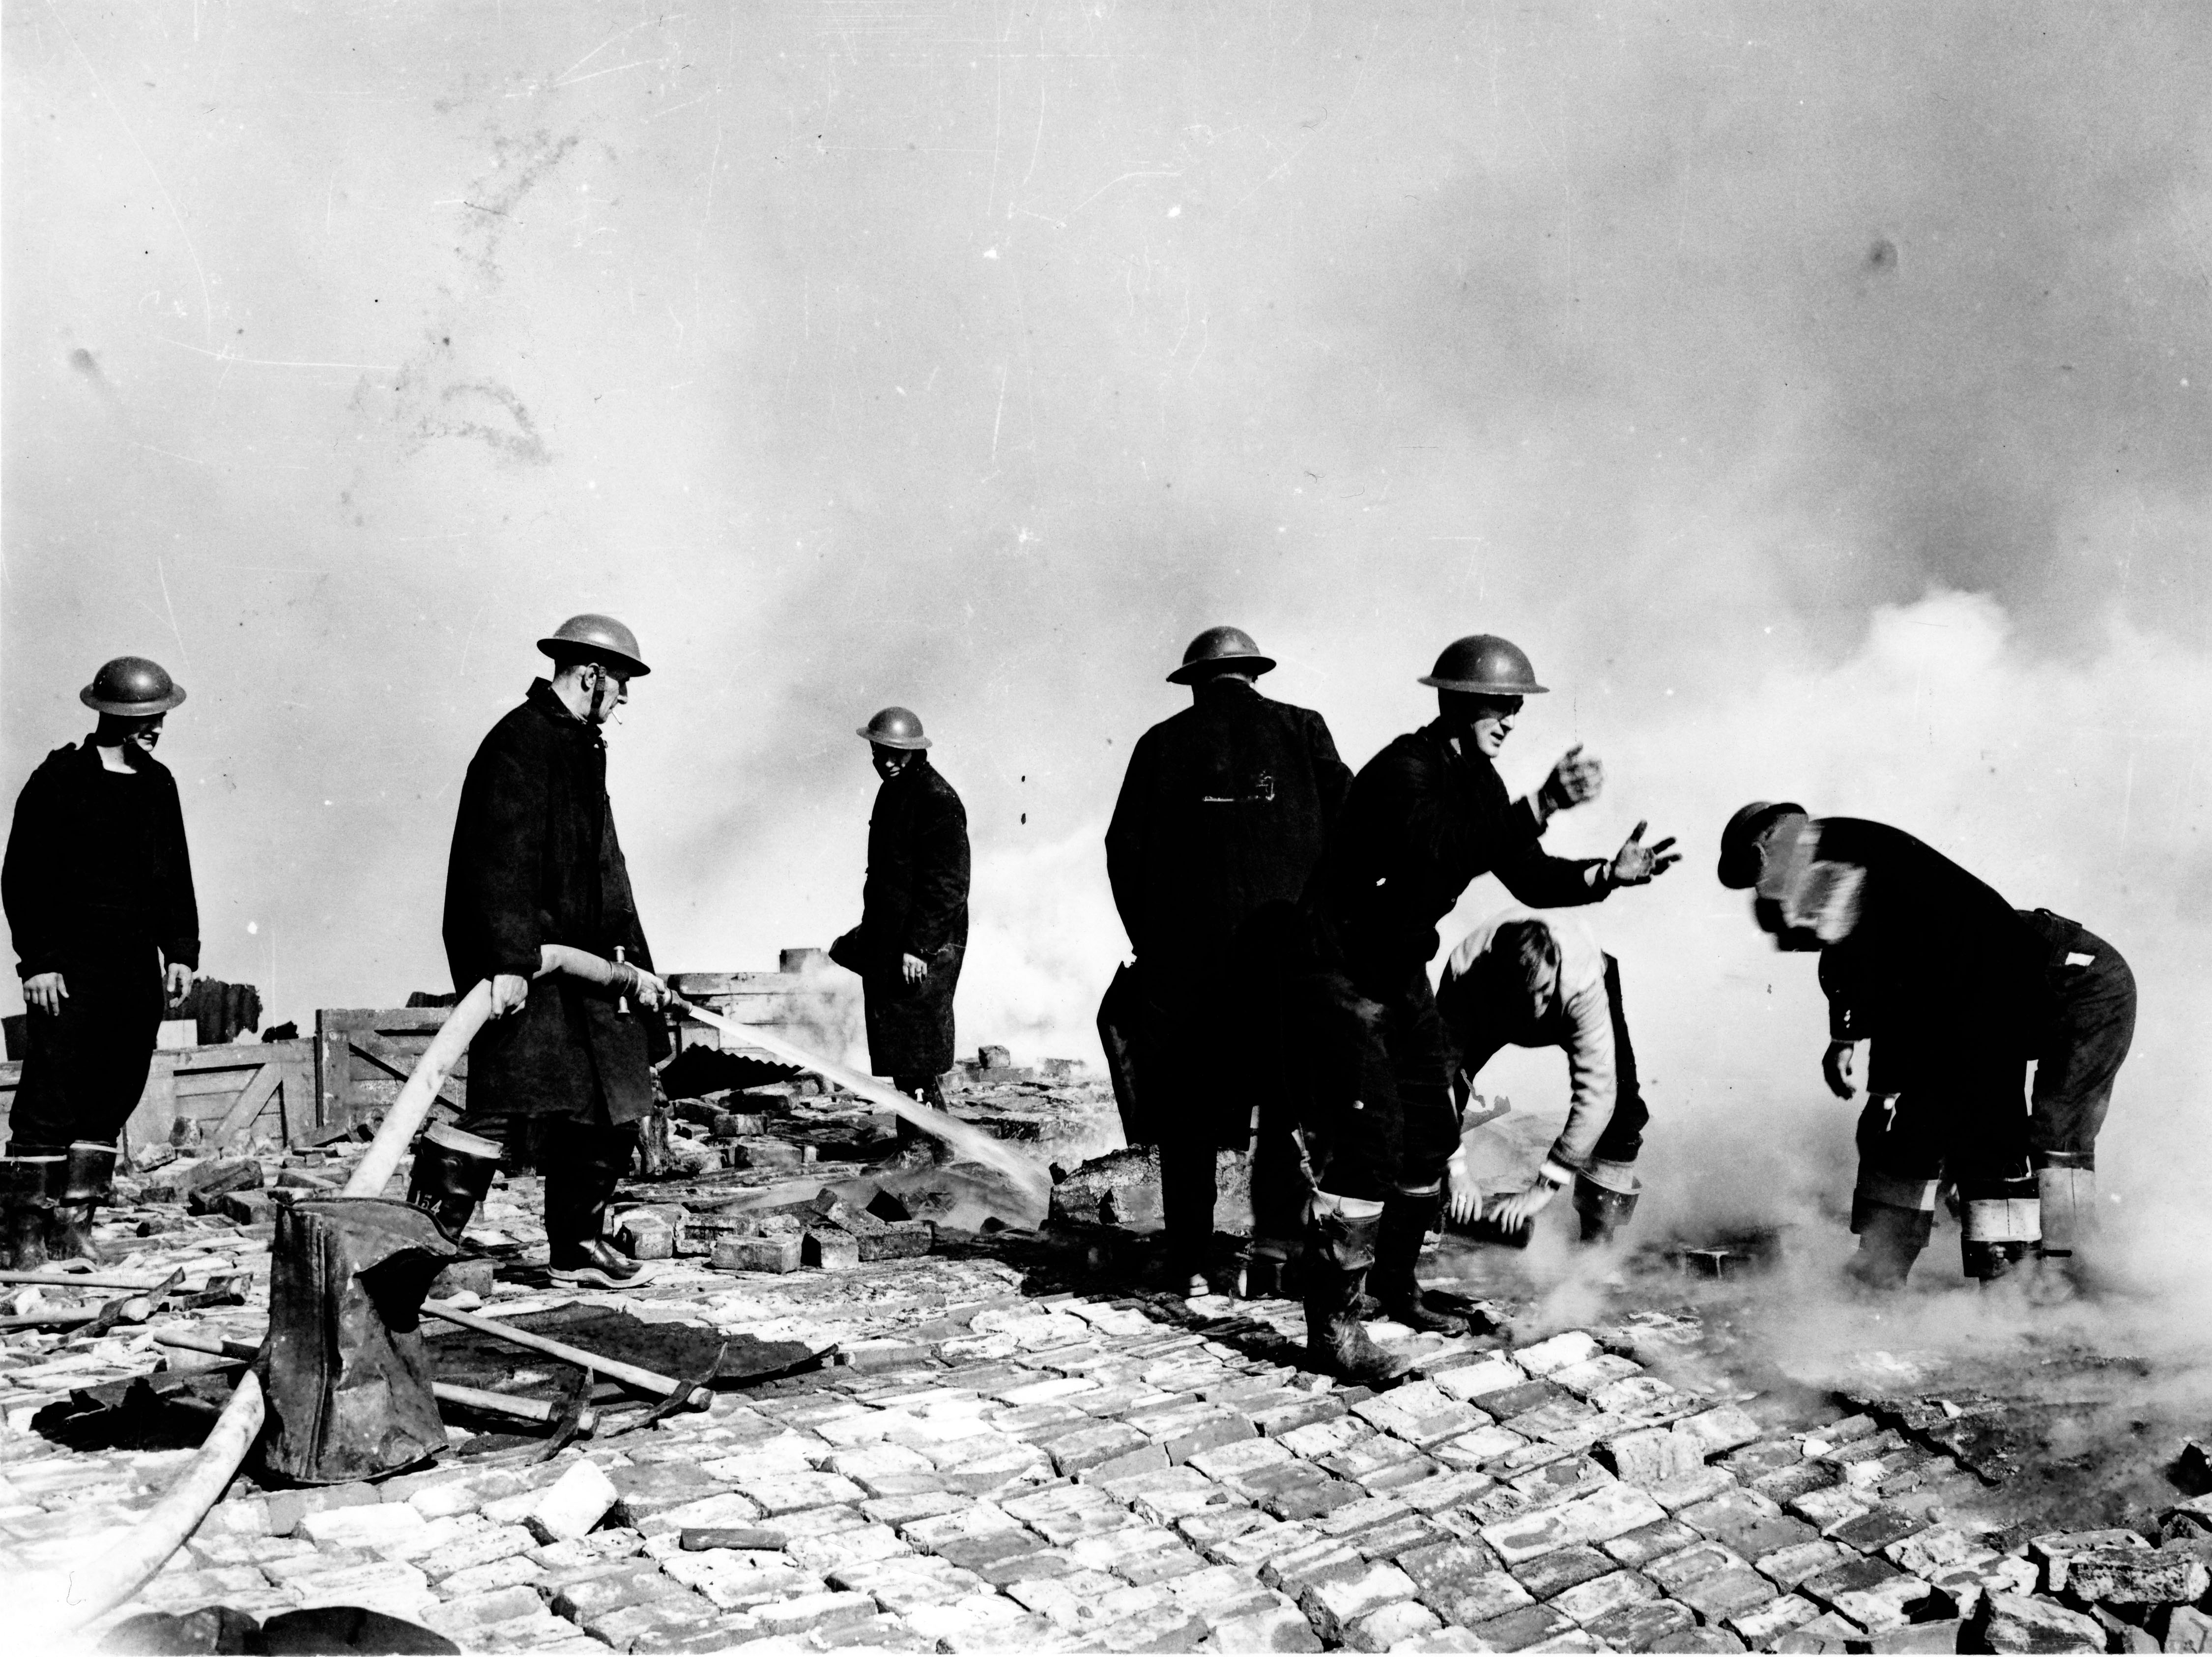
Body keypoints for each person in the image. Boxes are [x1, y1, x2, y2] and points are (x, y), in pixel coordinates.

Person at [1296, 634, 1676, 1380]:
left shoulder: (1478, 782)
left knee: (1434, 1122)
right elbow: (1438, 850)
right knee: (1369, 1143)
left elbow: (1527, 875)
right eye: (1498, 705)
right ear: (1459, 703)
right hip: (1336, 966)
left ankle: (1394, 1285)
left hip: (1397, 967)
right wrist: (1541, 803)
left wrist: (1608, 872)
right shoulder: (1404, 770)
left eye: (1514, 707)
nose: (1509, 719)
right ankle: (1332, 1329)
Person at [1717, 801, 2088, 1288]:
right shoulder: (1835, 851)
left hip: (1981, 987)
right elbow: (1856, 966)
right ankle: (1884, 1267)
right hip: (1953, 990)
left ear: (1765, 846)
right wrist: (1847, 1043)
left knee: (1986, 1129)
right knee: (1914, 1132)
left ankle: (2004, 1282)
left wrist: (1878, 1086)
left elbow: (1871, 976)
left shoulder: (1822, 858)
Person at [407, 614, 673, 1288]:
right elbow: (494, 861)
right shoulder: (518, 744)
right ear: (590, 676)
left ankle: (577, 1246)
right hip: (533, 964)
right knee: (505, 1102)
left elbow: (608, 868)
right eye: (621, 684)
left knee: (611, 1095)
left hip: (592, 967)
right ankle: (419, 1249)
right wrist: (506, 960)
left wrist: (638, 967)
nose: (625, 699)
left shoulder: (581, 746)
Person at [1104, 626, 1351, 1296]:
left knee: (1188, 1119)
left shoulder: (1160, 745)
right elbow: (1354, 833)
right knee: (1286, 1102)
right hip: (1288, 959)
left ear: (1194, 682)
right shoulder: (1304, 730)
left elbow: (1122, 850)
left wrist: (1149, 941)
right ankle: (1271, 1257)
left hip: (1189, 973)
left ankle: (1189, 1261)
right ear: (1252, 674)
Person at [1, 657, 198, 1265]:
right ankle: (21, 1236)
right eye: (145, 717)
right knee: (51, 1091)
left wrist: (182, 951)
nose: (155, 728)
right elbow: (21, 877)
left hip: (134, 966)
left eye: (159, 717)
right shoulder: (59, 779)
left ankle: (74, 1225)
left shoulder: (158, 783)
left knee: (115, 1089)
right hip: (70, 967)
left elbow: (176, 878)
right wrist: (39, 961)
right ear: (109, 713)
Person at [1435, 912, 1650, 1244]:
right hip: (1487, 1001)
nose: (1536, 1010)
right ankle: (1436, 1203)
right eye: (1526, 999)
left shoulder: (1582, 982)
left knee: (1622, 1102)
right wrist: (1457, 1165)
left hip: (1576, 984)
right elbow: (1435, 1079)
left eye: (1545, 994)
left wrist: (1543, 1188)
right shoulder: (1466, 980)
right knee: (1428, 1088)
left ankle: (1597, 1239)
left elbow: (1597, 1092)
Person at [831, 708, 970, 1121]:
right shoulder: (896, 790)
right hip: (895, 940)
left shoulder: (936, 799)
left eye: (896, 754)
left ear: (915, 752)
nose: (886, 762)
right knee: (903, 1049)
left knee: (915, 1049)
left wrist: (918, 948)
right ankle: (930, 1141)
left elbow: (947, 886)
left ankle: (926, 1143)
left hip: (923, 945)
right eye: (879, 752)